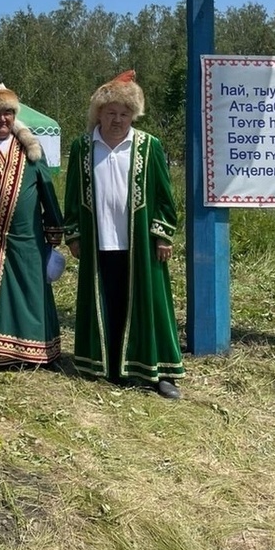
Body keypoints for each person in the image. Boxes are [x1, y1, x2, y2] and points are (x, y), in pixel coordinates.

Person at [63, 70, 185, 399]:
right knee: (107, 303)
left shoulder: (149, 146)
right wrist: (73, 234)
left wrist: (163, 235)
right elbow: (73, 194)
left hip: (141, 243)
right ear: (98, 113)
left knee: (150, 306)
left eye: (124, 113)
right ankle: (109, 368)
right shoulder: (82, 147)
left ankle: (159, 373)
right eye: (111, 113)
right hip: (99, 240)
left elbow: (163, 195)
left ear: (134, 115)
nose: (117, 120)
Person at [0, 79, 66, 367]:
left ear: (14, 116)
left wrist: (53, 232)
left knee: (34, 293)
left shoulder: (31, 150)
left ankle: (41, 350)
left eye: (7, 113)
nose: (2, 119)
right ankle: (2, 350)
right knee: (1, 295)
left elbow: (47, 192)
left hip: (29, 237)